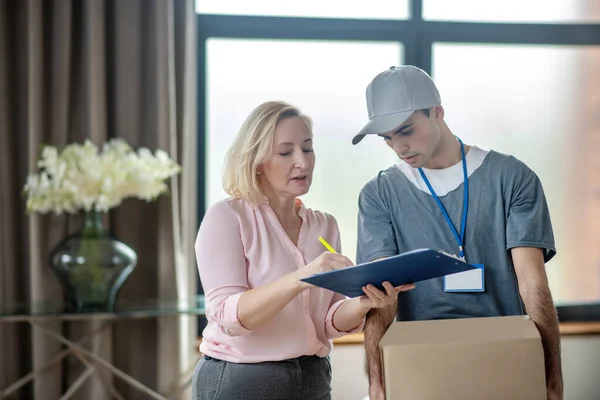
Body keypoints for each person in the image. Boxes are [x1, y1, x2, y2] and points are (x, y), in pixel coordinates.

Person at [352, 66, 563, 400]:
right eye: (388, 138)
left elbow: (533, 284)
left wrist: (552, 378)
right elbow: (383, 297)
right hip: (419, 367)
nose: (399, 146)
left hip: (506, 359)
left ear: (437, 112)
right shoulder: (379, 194)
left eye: (406, 130)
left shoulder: (512, 178)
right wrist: (377, 385)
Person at [193, 100, 415, 400]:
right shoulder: (228, 217)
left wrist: (365, 303)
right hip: (244, 380)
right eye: (286, 152)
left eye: (308, 148)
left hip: (313, 378)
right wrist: (305, 275)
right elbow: (228, 316)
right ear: (257, 160)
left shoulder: (325, 226)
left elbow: (328, 322)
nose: (303, 161)